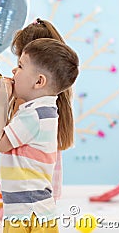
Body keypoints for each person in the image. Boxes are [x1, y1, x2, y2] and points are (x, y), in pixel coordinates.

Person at [0, 38, 79, 232]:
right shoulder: (43, 110)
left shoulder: (33, 114)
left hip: (27, 212)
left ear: (39, 81)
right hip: (35, 210)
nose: (14, 71)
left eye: (20, 66)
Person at [10, 18, 74, 200]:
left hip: (27, 187)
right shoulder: (55, 97)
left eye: (21, 64)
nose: (16, 70)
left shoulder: (28, 100)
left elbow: (5, 139)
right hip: (44, 180)